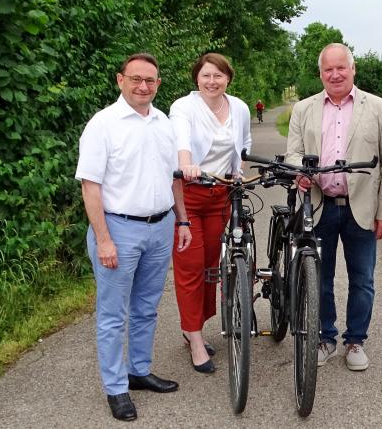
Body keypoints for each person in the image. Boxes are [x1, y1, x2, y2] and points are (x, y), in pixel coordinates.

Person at [75, 52, 193, 421]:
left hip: (159, 228)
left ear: (158, 84)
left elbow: (172, 178)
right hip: (119, 229)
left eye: (151, 80)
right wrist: (104, 239)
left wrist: (183, 220)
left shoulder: (162, 123)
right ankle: (116, 388)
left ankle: (139, 371)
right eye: (136, 79)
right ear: (120, 80)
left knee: (146, 308)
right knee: (113, 315)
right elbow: (90, 188)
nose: (144, 86)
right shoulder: (103, 124)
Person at [285, 43, 382, 371]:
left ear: (353, 69)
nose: (335, 74)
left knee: (362, 277)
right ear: (320, 73)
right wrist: (300, 173)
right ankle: (325, 337)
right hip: (319, 207)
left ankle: (355, 341)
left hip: (360, 208)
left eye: (341, 68)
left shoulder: (377, 108)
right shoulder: (304, 109)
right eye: (328, 69)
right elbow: (293, 152)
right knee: (319, 277)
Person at [170, 53, 252, 374]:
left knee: (211, 268)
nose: (212, 81)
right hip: (189, 194)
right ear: (196, 78)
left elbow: (242, 144)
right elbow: (181, 139)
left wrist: (239, 171)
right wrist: (186, 163)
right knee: (190, 266)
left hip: (222, 194)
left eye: (218, 75)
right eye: (206, 75)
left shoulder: (240, 107)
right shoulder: (183, 107)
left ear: (228, 78)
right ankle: (194, 338)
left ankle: (195, 326)